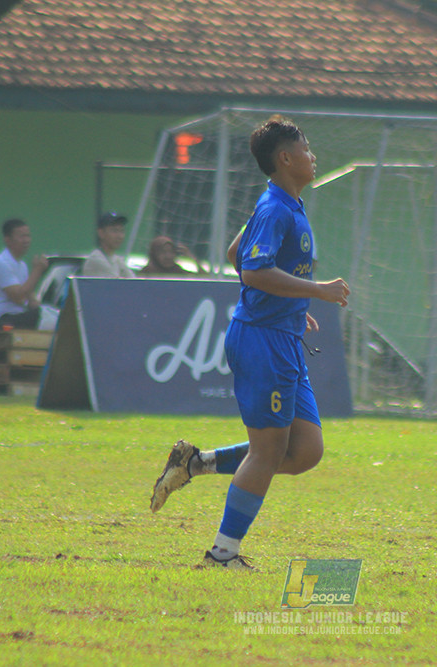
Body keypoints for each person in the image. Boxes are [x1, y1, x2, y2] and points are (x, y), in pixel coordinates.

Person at [148, 115, 351, 570]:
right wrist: (315, 292)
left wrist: (292, 309)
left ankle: (195, 464)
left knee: (305, 452)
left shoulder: (282, 204)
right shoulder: (277, 208)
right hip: (263, 341)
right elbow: (254, 270)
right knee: (268, 453)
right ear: (285, 158)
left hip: (280, 334)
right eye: (306, 148)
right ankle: (222, 554)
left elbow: (237, 254)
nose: (312, 156)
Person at [0, 218, 49, 330]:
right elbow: (19, 297)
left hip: (13, 318)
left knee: (49, 316)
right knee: (42, 317)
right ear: (8, 240)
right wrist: (37, 271)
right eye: (22, 236)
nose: (26, 240)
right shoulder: (2, 263)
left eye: (28, 236)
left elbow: (29, 298)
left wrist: (43, 309)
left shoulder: (22, 265)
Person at [80, 211, 135, 278]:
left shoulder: (117, 259)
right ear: (101, 233)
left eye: (122, 231)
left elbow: (133, 280)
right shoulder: (96, 259)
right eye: (114, 231)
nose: (119, 236)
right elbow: (117, 284)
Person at [137, 236, 207, 276]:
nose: (168, 256)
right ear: (154, 254)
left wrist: (192, 259)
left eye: (171, 252)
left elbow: (204, 278)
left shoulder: (177, 271)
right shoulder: (147, 273)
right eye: (163, 252)